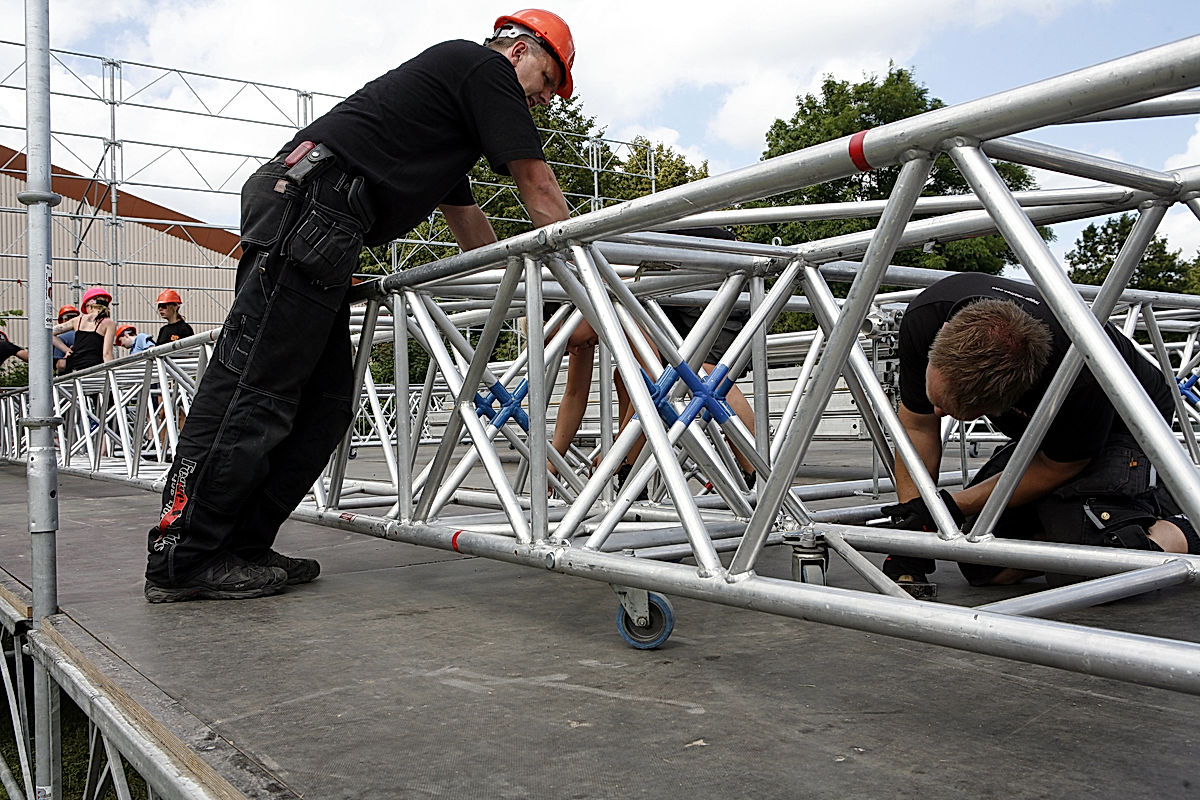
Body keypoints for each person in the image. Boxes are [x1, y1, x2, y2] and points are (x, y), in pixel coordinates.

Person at [144, 9, 577, 603]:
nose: (545, 101)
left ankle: (238, 547)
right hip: (310, 209)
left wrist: (524, 288)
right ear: (520, 52)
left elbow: (471, 230)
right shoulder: (482, 68)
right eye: (549, 80)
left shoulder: (446, 122)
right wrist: (584, 272)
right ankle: (183, 557)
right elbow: (538, 186)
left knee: (323, 408)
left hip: (324, 224)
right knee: (253, 390)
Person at [881, 272, 1198, 591]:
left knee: (1096, 569)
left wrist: (952, 504)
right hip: (1056, 435)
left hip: (1128, 420)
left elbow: (1058, 466)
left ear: (1010, 400)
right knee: (982, 563)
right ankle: (1074, 525)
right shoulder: (927, 318)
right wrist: (914, 529)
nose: (937, 412)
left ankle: (1184, 522)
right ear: (942, 337)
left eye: (955, 412)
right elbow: (918, 424)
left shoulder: (1080, 376)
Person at [54, 287, 116, 373]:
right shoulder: (108, 323)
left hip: (74, 369)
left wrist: (67, 350)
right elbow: (107, 354)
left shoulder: (77, 320)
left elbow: (50, 332)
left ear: (89, 305)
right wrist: (112, 374)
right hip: (94, 369)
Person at [54, 305, 78, 373]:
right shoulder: (85, 335)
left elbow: (62, 365)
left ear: (63, 320)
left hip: (70, 379)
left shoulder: (60, 339)